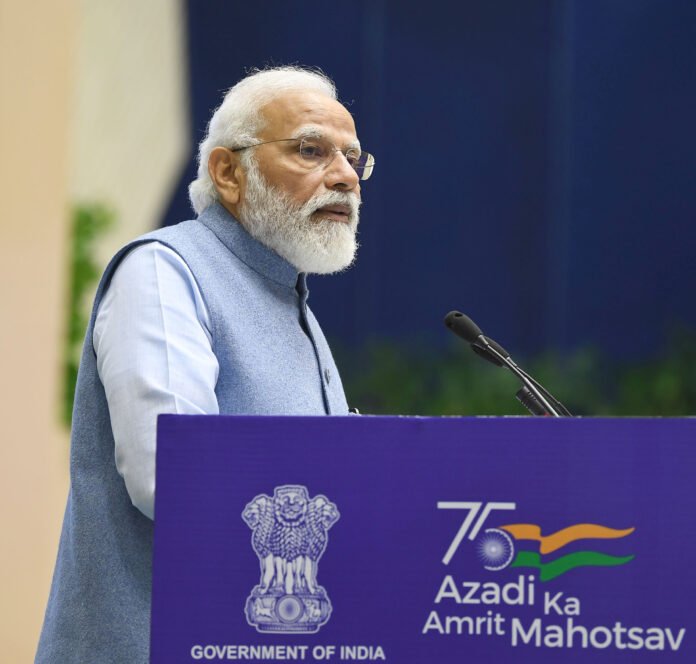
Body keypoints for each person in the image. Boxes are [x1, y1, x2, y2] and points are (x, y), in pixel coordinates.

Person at [36, 65, 375, 663]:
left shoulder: (290, 304)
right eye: (311, 150)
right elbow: (172, 477)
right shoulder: (166, 272)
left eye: (353, 158)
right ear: (228, 172)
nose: (346, 177)